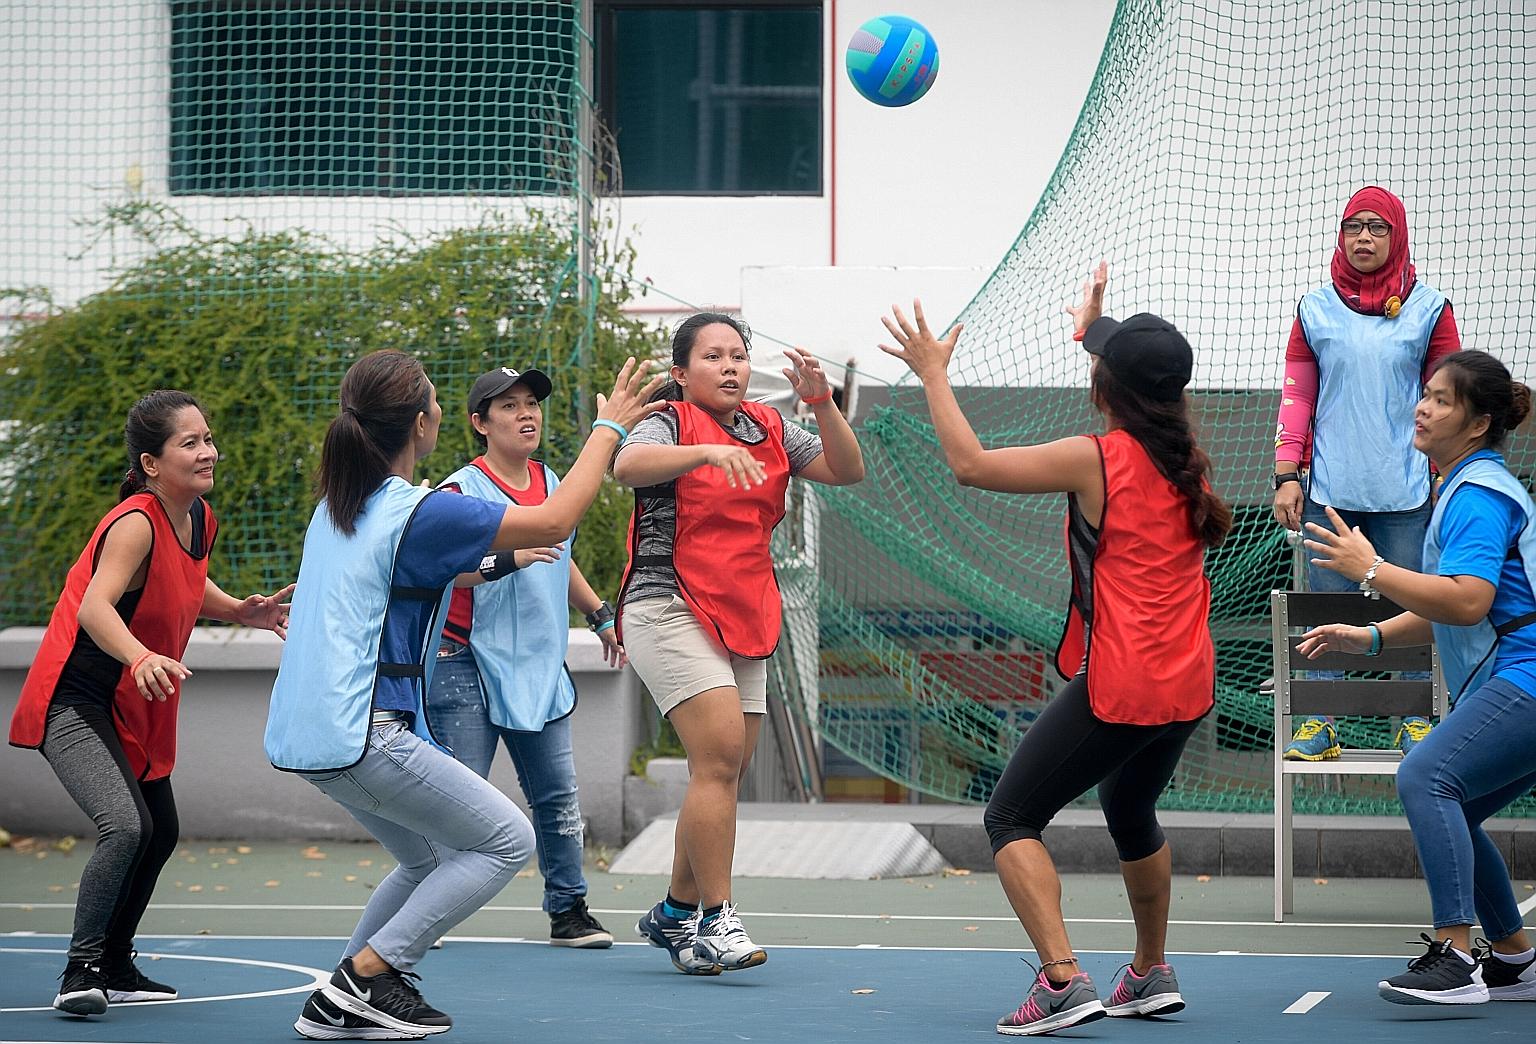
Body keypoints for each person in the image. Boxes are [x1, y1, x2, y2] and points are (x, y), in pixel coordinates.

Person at [266, 350, 662, 1039]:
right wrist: (610, 431)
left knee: (425, 859)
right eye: (435, 400)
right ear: (422, 424)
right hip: (368, 731)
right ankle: (371, 974)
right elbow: (552, 523)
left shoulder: (338, 509)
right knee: (506, 840)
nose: (441, 409)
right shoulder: (416, 511)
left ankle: (342, 992)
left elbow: (464, 567)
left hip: (309, 733)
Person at [879, 270, 1231, 1036]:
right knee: (1129, 808)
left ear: (1106, 388)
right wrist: (1091, 331)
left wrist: (934, 373)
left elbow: (971, 465)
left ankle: (1062, 981)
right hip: (1188, 681)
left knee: (1010, 817)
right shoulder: (1188, 462)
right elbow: (1135, 378)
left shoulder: (1094, 458)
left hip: (1126, 682)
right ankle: (1149, 972)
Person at [8, 390, 293, 1017]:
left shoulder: (198, 518)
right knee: (127, 826)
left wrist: (239, 610)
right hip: (76, 698)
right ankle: (80, 969)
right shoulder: (135, 521)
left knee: (160, 831)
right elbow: (94, 606)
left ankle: (115, 963)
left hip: (133, 699)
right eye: (190, 443)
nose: (208, 451)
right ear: (151, 463)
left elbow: (183, 581)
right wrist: (139, 656)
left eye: (208, 438)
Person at [613, 314, 864, 974]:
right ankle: (717, 919)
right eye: (713, 356)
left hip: (743, 609)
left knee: (722, 770)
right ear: (681, 372)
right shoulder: (668, 422)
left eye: (738, 356)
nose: (729, 367)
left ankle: (675, 913)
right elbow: (626, 465)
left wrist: (822, 403)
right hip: (667, 603)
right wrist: (704, 453)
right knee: (721, 757)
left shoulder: (770, 425)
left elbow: (846, 469)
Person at [1299, 349, 1536, 1006]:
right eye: (1425, 394)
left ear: (1478, 423)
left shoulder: (1478, 496)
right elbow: (1455, 604)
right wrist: (1371, 635)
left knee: (1425, 777)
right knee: (1459, 805)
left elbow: (1468, 601)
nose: (1422, 408)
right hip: (1517, 676)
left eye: (1441, 400)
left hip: (1525, 678)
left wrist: (1371, 569)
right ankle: (1515, 960)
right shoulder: (1465, 485)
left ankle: (1456, 958)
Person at [425, 364, 622, 950]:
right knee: (459, 797)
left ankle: (569, 910)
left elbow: (558, 554)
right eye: (508, 406)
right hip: (465, 661)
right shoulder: (457, 493)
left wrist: (599, 613)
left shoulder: (552, 480)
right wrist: (508, 558)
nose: (526, 414)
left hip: (538, 664)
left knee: (557, 798)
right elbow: (441, 570)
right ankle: (427, 908)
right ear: (480, 423)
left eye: (531, 403)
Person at [1274, 185, 1461, 761]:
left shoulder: (1430, 309)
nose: (1364, 237)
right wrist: (1286, 473)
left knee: (1413, 607)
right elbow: (1298, 395)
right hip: (1329, 496)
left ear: (1396, 236)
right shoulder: (1314, 310)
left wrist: (1446, 470)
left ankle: (1415, 722)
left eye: (1378, 227)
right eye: (1353, 226)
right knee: (1327, 613)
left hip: (1408, 496)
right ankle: (1320, 723)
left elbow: (1449, 399)